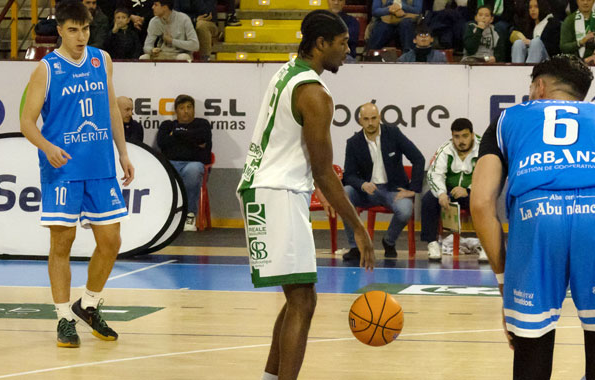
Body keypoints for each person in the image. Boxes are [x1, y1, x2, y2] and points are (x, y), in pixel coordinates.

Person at [471, 54, 595, 380]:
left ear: (540, 87)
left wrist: (506, 279)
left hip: (538, 216)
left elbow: (480, 203)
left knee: (530, 346)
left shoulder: (507, 119)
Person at [235, 10, 374, 380]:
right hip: (275, 193)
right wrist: (357, 228)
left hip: (267, 188)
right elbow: (324, 171)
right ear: (321, 44)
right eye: (343, 43)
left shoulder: (288, 70)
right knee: (303, 300)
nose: (349, 49)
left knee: (299, 295)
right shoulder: (314, 93)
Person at [19, 0, 135, 348]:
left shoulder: (103, 59)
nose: (80, 36)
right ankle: (63, 318)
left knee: (111, 242)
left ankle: (88, 303)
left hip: (100, 166)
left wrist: (124, 152)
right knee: (61, 244)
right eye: (73, 30)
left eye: (84, 29)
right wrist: (47, 146)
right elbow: (26, 122)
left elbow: (112, 107)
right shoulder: (47, 68)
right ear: (60, 31)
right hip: (64, 169)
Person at [341, 102, 425, 260]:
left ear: (379, 117)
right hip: (366, 192)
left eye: (374, 118)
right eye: (366, 119)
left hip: (393, 190)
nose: (371, 123)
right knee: (344, 195)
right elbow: (349, 175)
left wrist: (413, 188)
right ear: (360, 121)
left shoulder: (393, 133)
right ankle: (355, 246)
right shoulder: (353, 143)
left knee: (406, 209)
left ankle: (389, 241)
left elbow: (418, 158)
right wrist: (362, 184)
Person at [424, 118, 483, 261]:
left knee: (483, 204)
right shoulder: (445, 149)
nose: (461, 141)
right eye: (456, 137)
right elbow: (434, 174)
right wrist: (441, 193)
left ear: (472, 135)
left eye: (465, 136)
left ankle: (487, 245)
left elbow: (489, 175)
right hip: (449, 190)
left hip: (475, 190)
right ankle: (432, 243)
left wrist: (469, 189)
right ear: (452, 137)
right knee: (428, 200)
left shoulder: (484, 147)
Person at [156, 95, 212, 232]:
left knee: (192, 170)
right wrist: (192, 139)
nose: (186, 111)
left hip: (193, 164)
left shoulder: (203, 124)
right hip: (171, 164)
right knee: (162, 171)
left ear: (194, 109)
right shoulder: (167, 125)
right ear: (176, 111)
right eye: (181, 108)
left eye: (189, 107)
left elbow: (203, 139)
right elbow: (162, 143)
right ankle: (167, 215)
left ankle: (189, 214)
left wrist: (176, 134)